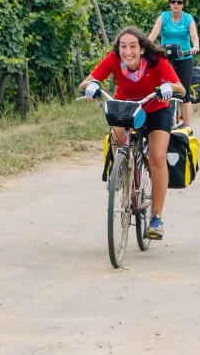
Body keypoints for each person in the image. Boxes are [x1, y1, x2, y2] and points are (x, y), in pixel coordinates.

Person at [79, 26, 185, 240]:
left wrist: (168, 88)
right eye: (123, 47)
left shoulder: (157, 61)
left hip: (156, 109)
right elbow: (86, 82)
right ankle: (121, 170)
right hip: (127, 107)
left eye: (133, 46)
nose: (128, 51)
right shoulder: (113, 60)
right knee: (116, 138)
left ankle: (156, 217)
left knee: (157, 157)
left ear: (142, 49)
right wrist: (92, 86)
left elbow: (181, 89)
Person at [148, 0, 200, 128]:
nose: (176, 4)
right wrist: (145, 47)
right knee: (164, 89)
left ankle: (187, 128)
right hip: (166, 58)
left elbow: (194, 36)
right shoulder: (163, 17)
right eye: (173, 2)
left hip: (184, 57)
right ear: (169, 4)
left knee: (184, 93)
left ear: (183, 4)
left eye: (179, 2)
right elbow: (153, 35)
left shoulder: (188, 18)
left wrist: (195, 46)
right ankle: (163, 124)